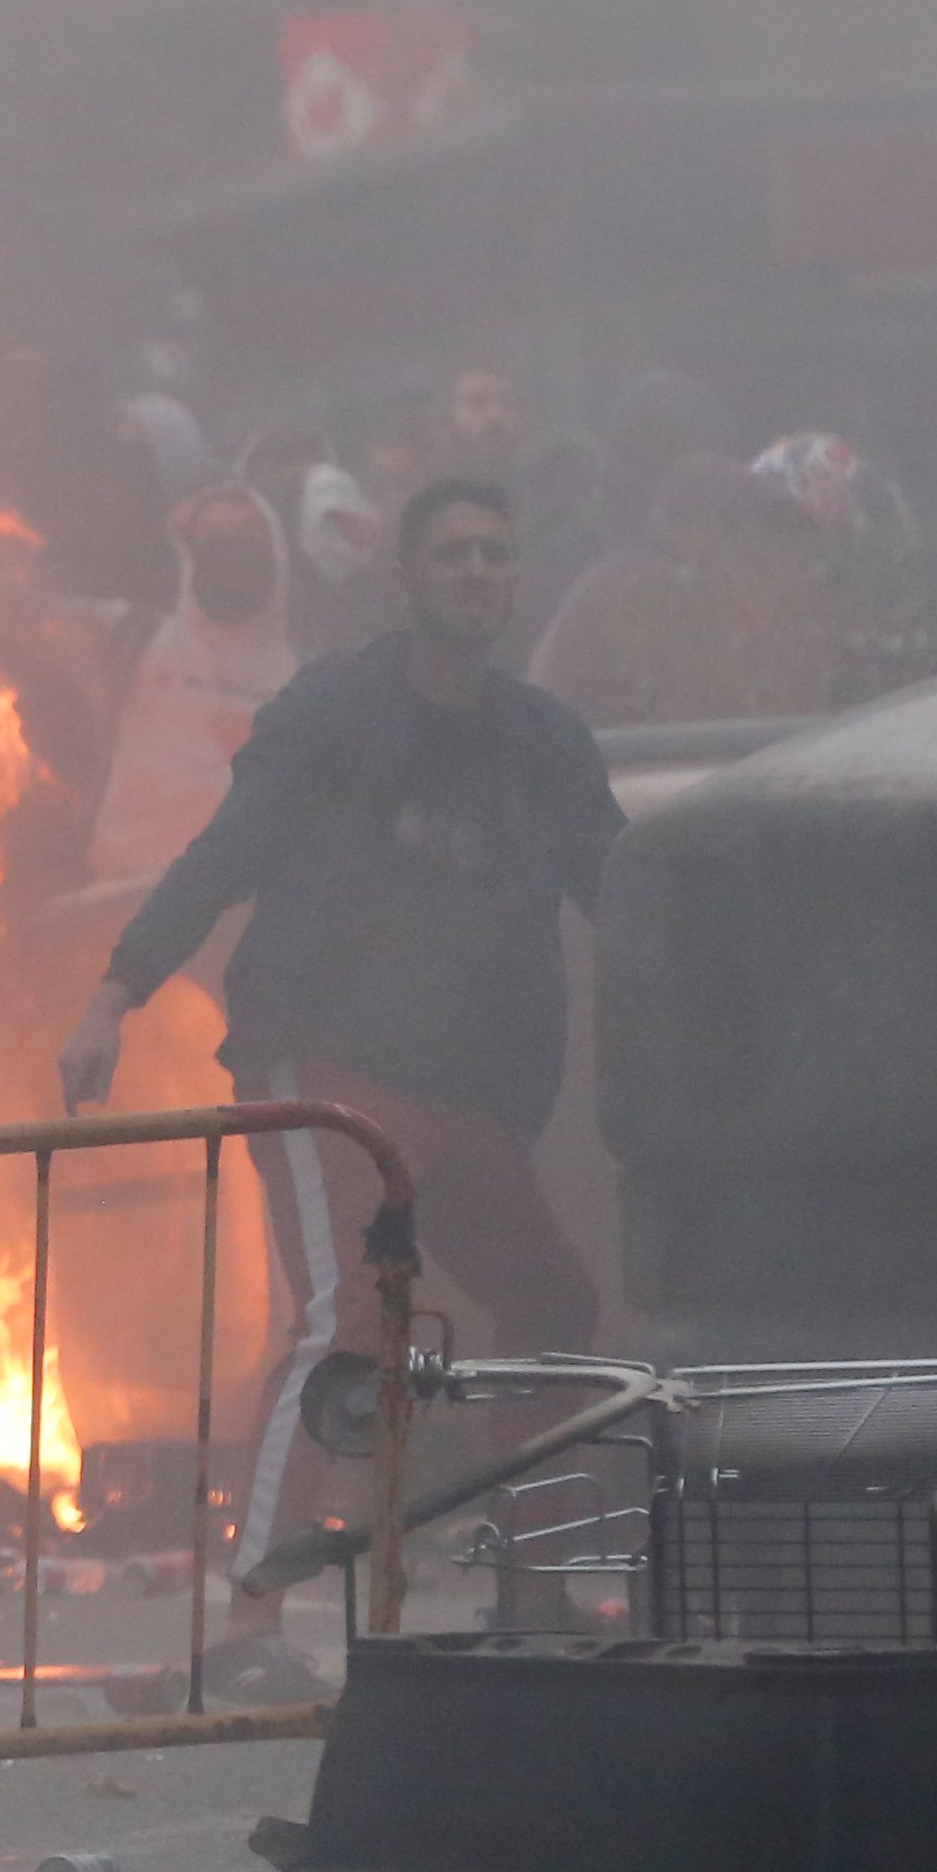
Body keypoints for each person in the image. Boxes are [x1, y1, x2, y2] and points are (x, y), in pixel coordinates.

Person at [56, 478, 621, 1635]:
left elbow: (627, 897)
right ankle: (250, 1620)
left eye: (496, 553)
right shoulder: (335, 714)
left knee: (554, 1297)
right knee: (349, 1319)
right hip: (322, 1068)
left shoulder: (542, 745)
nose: (477, 571)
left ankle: (536, 1584)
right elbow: (222, 855)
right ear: (405, 577)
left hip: (470, 1095)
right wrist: (113, 997)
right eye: (454, 552)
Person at [83, 474, 296, 889]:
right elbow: (21, 614)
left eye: (248, 532)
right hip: (124, 900)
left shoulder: (312, 678)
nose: (231, 546)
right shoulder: (132, 639)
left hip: (246, 913)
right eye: (214, 534)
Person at [526, 452, 844, 724]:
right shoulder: (625, 600)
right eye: (738, 530)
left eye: (782, 541)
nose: (778, 560)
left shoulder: (795, 627)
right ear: (689, 531)